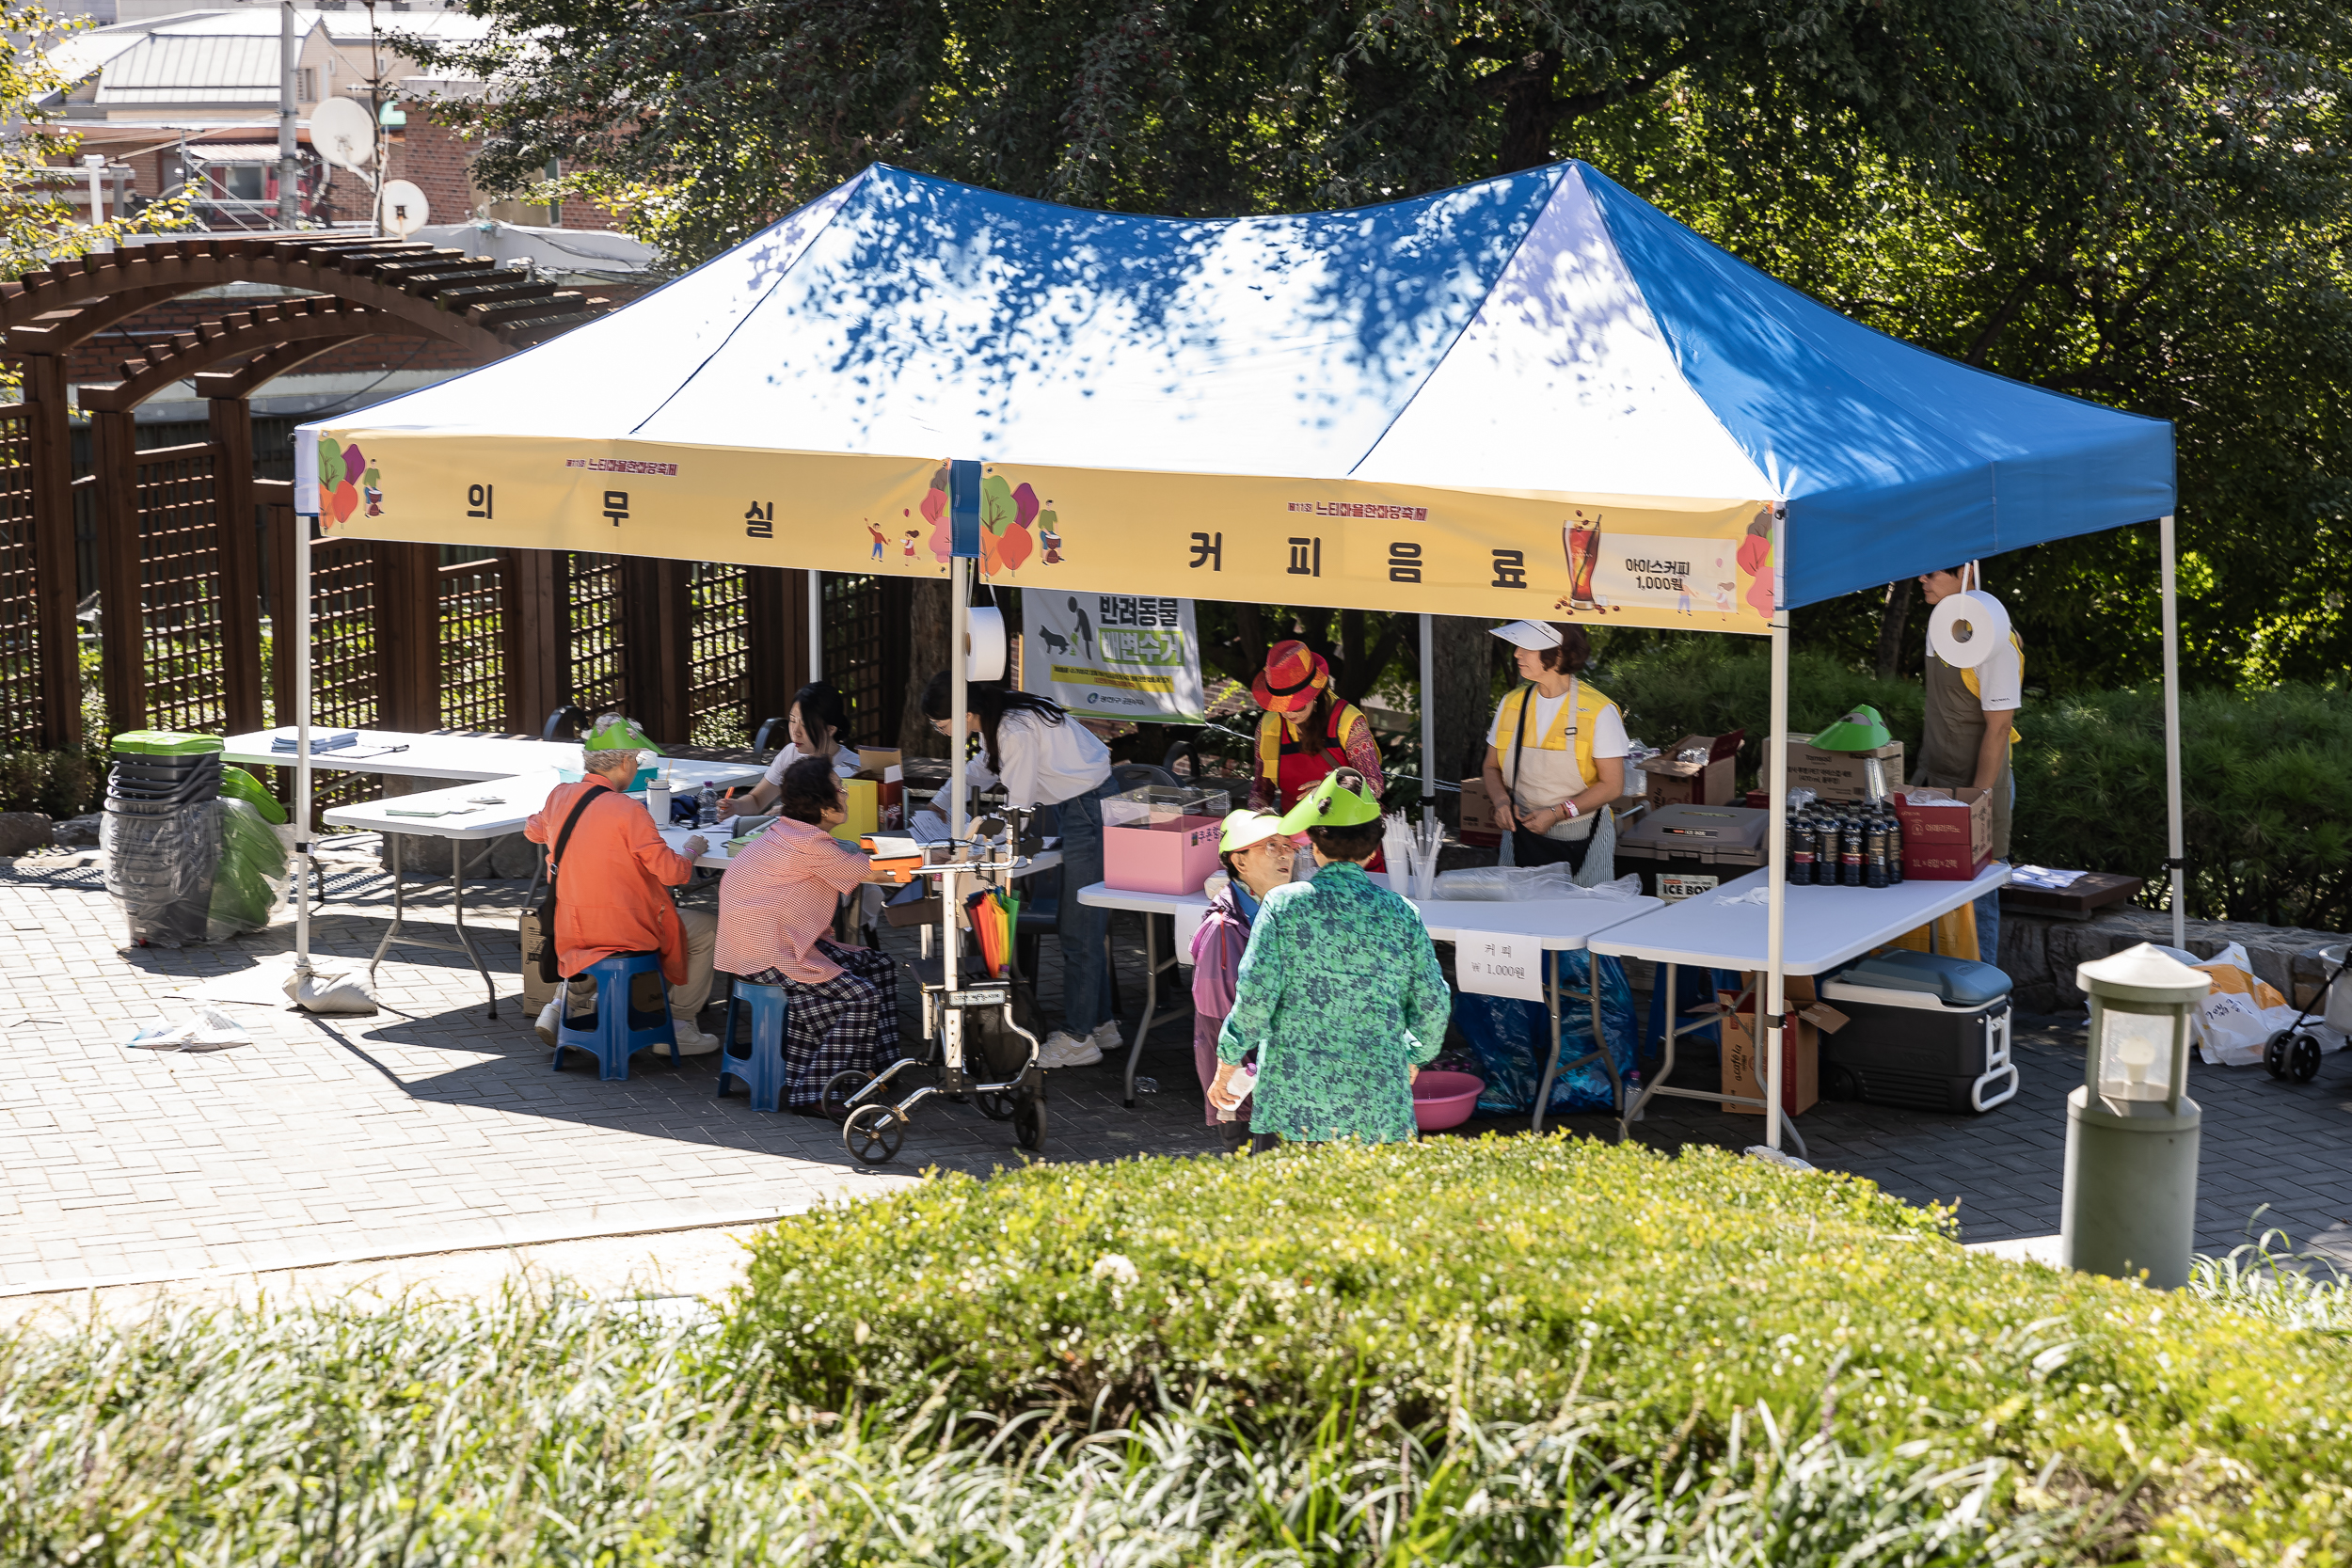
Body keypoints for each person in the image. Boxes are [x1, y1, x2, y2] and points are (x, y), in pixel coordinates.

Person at [1208, 770, 1449, 1147]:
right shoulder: (1402, 913)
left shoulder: (1283, 906)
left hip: (1292, 1105)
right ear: (1373, 852)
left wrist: (1227, 1062)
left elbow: (1255, 999)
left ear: (1314, 845)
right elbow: (1433, 1006)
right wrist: (1414, 1055)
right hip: (1379, 1107)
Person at [920, 672, 1117, 1069]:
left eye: (942, 726)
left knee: (1079, 928)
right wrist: (940, 803)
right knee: (1083, 924)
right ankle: (1099, 1024)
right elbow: (983, 767)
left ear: (966, 714)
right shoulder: (1002, 714)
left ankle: (1079, 1038)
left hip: (1087, 809)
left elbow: (1019, 810)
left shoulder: (1014, 727)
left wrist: (976, 844)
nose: (942, 733)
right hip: (1084, 804)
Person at [714, 755, 904, 1115]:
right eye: (840, 790)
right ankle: (816, 1094)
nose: (845, 796)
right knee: (860, 997)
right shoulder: (812, 846)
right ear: (825, 807)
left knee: (877, 965)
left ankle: (878, 1070)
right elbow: (877, 873)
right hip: (768, 953)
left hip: (762, 946)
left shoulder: (783, 830)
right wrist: (932, 858)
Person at [527, 718, 718, 1053]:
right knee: (708, 929)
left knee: (593, 945)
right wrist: (692, 849)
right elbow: (673, 873)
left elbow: (534, 830)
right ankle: (679, 1022)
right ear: (627, 762)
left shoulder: (560, 796)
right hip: (627, 929)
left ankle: (560, 1006)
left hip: (571, 925)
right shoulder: (627, 810)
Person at [1914, 565, 2022, 965]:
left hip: (1980, 786)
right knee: (1933, 893)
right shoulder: (1939, 623)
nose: (1921, 580)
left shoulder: (1997, 639)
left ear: (1966, 574)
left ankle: (1983, 994)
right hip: (1936, 778)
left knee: (1979, 896)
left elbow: (2000, 728)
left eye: (1931, 573)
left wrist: (1977, 800)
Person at [1479, 620, 1628, 875]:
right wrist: (1502, 801)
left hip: (1583, 834)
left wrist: (1558, 813)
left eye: (1527, 647)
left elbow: (1612, 786)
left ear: (1558, 653)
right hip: (1519, 832)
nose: (1517, 653)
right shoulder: (1511, 702)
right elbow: (1491, 766)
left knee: (1579, 914)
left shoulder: (1599, 711)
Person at [1189, 809, 1292, 1150]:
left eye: (1287, 845)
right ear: (1240, 862)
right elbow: (1218, 1020)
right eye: (1270, 846)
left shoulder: (1275, 911)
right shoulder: (1223, 929)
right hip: (1245, 1092)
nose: (1285, 853)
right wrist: (1238, 1081)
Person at [1247, 640, 1385, 813]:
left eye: (1297, 705)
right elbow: (1261, 789)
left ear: (1314, 693)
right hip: (1295, 832)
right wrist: (1255, 819)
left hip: (1350, 829)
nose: (1289, 714)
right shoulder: (1268, 726)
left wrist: (1333, 793)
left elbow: (1374, 784)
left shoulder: (1349, 722)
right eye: (1280, 707)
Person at [722, 681, 859, 818]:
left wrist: (788, 810)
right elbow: (757, 800)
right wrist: (735, 806)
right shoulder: (790, 753)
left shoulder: (853, 767)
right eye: (792, 721)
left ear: (830, 729)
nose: (795, 732)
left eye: (805, 725)